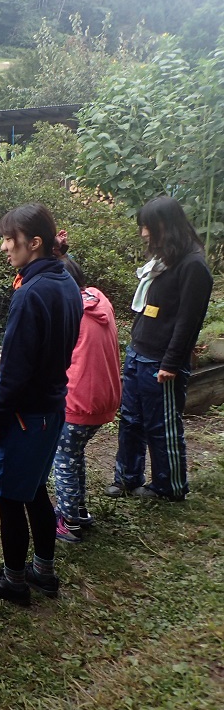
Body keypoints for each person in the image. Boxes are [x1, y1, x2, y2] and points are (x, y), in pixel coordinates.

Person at [0, 203, 82, 606]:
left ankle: (14, 580)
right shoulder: (66, 280)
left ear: (33, 243)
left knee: (11, 497)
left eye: (8, 239)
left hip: (24, 415)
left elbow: (15, 368)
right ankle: (43, 572)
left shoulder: (31, 293)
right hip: (51, 408)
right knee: (34, 490)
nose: (4, 247)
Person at [106, 196, 213, 501]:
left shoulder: (193, 265)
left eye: (149, 227)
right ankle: (127, 477)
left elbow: (188, 322)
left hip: (161, 362)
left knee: (161, 425)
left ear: (168, 225)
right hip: (139, 353)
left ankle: (169, 486)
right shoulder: (164, 261)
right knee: (130, 420)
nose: (144, 233)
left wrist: (171, 363)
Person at [52, 255, 121, 543]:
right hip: (106, 397)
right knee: (74, 453)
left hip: (79, 401)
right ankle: (79, 510)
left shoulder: (70, 312)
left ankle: (68, 521)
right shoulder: (98, 300)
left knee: (63, 458)